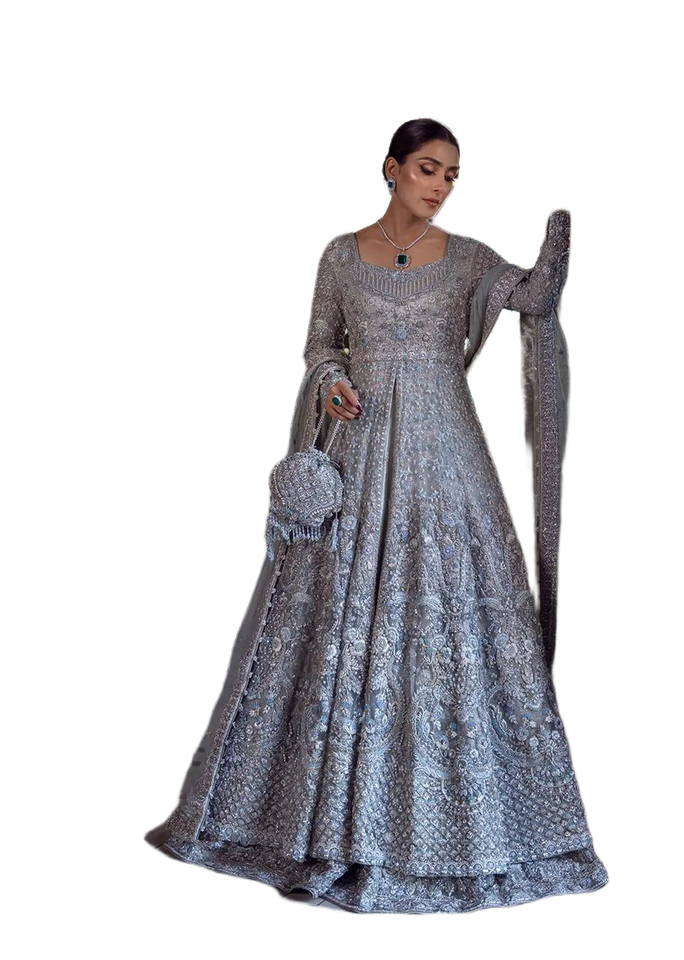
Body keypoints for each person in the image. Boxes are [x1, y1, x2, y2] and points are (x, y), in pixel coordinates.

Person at [144, 118, 609, 914]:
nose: (440, 186)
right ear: (391, 168)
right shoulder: (339, 255)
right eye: (428, 169)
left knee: (453, 611)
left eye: (452, 174)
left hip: (447, 455)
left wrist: (558, 249)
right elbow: (320, 345)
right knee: (336, 616)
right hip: (360, 453)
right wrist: (331, 381)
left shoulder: (470, 258)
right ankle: (321, 825)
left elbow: (533, 297)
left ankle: (480, 831)